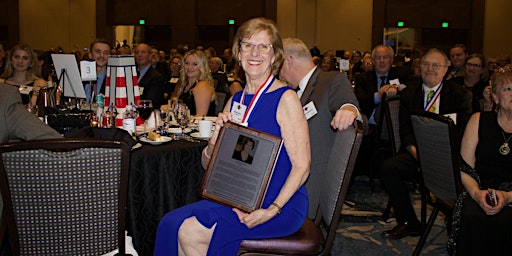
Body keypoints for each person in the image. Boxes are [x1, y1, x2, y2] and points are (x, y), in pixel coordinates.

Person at [154, 17, 310, 255]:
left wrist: (273, 209)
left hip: (280, 202)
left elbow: (303, 166)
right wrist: (214, 141)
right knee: (170, 224)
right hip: (237, 197)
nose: (254, 53)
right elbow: (209, 165)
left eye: (263, 46)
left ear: (274, 55)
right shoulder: (235, 101)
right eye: (248, 45)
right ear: (238, 52)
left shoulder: (285, 99)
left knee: (190, 232)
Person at [380, 48, 473, 239]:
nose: (430, 69)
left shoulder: (460, 95)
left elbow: (464, 132)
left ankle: (455, 218)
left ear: (446, 69)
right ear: (419, 67)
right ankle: (409, 222)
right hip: (416, 154)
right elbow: (405, 130)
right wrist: (416, 152)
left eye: (436, 65)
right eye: (425, 64)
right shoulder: (410, 92)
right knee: (389, 167)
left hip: (448, 157)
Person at [279, 37, 361, 218]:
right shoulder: (288, 91)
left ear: (288, 61)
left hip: (309, 182)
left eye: (277, 64)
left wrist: (348, 109)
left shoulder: (330, 80)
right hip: (287, 172)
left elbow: (347, 101)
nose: (278, 73)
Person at [448, 65, 512, 255]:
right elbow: (465, 167)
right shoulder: (478, 120)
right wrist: (476, 193)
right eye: (508, 89)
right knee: (471, 215)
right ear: (495, 97)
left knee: (506, 219)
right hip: (479, 187)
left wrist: (507, 197)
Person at [174, 49, 216, 116]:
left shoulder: (202, 86)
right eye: (187, 63)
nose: (190, 67)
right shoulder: (185, 84)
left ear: (202, 66)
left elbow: (200, 117)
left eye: (195, 64)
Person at [134, 43, 166, 110]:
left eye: (143, 52)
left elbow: (152, 102)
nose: (139, 55)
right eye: (137, 52)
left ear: (150, 56)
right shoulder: (131, 74)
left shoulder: (156, 77)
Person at [83, 38, 110, 103]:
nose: (102, 56)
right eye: (97, 51)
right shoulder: (79, 78)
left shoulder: (113, 80)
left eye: (106, 53)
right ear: (90, 55)